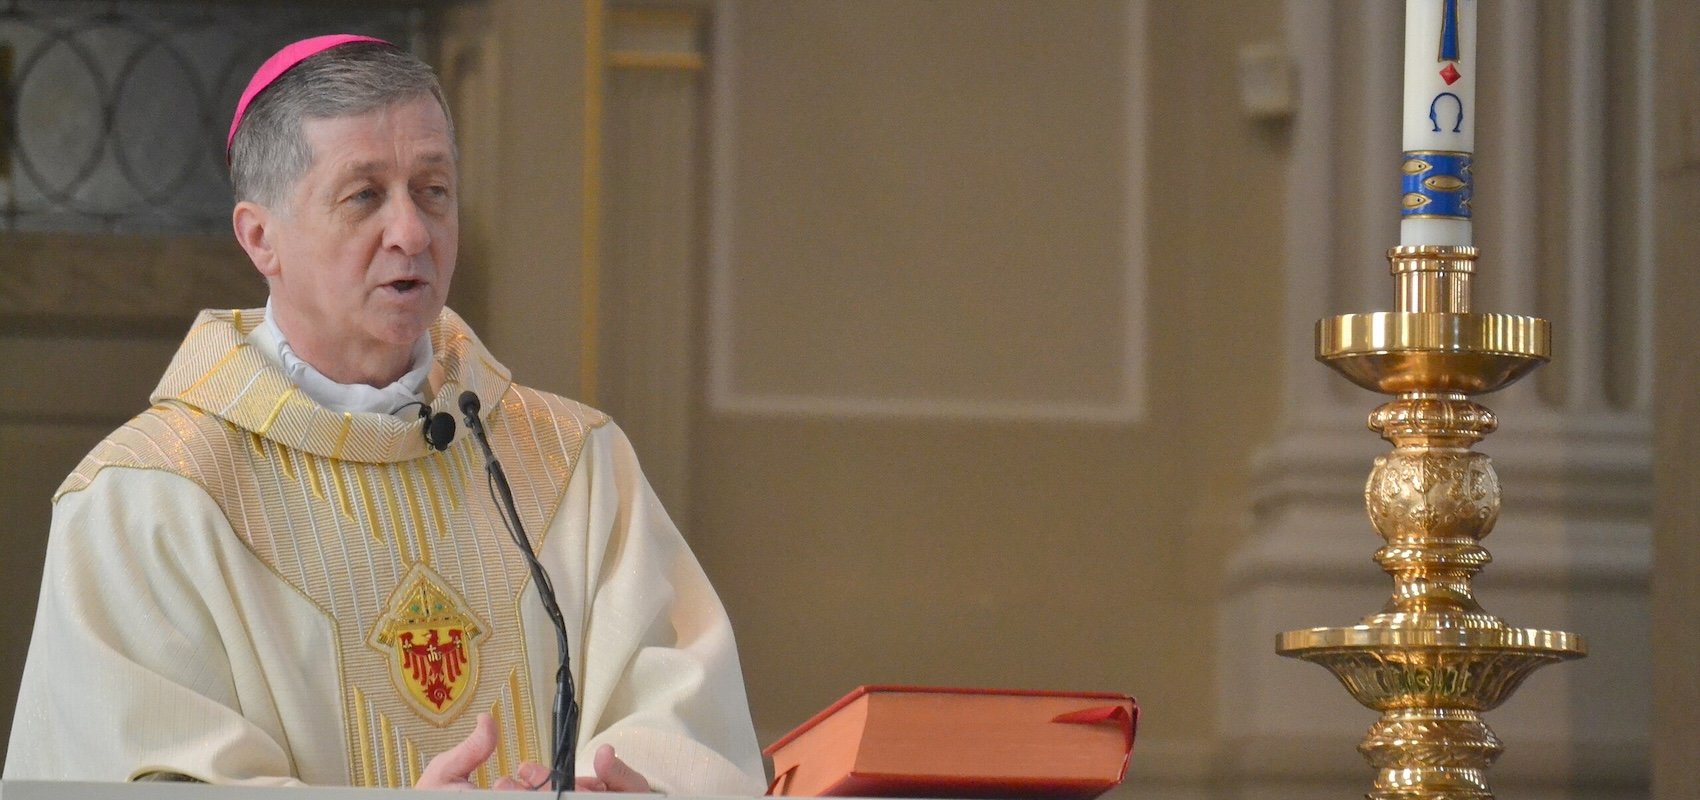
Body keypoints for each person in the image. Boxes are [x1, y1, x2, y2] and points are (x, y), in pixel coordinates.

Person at [3, 35, 765, 793]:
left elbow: (686, 719)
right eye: (364, 196)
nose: (412, 232)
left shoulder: (575, 464)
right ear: (261, 238)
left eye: (433, 190)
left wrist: (627, 788)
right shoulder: (146, 498)